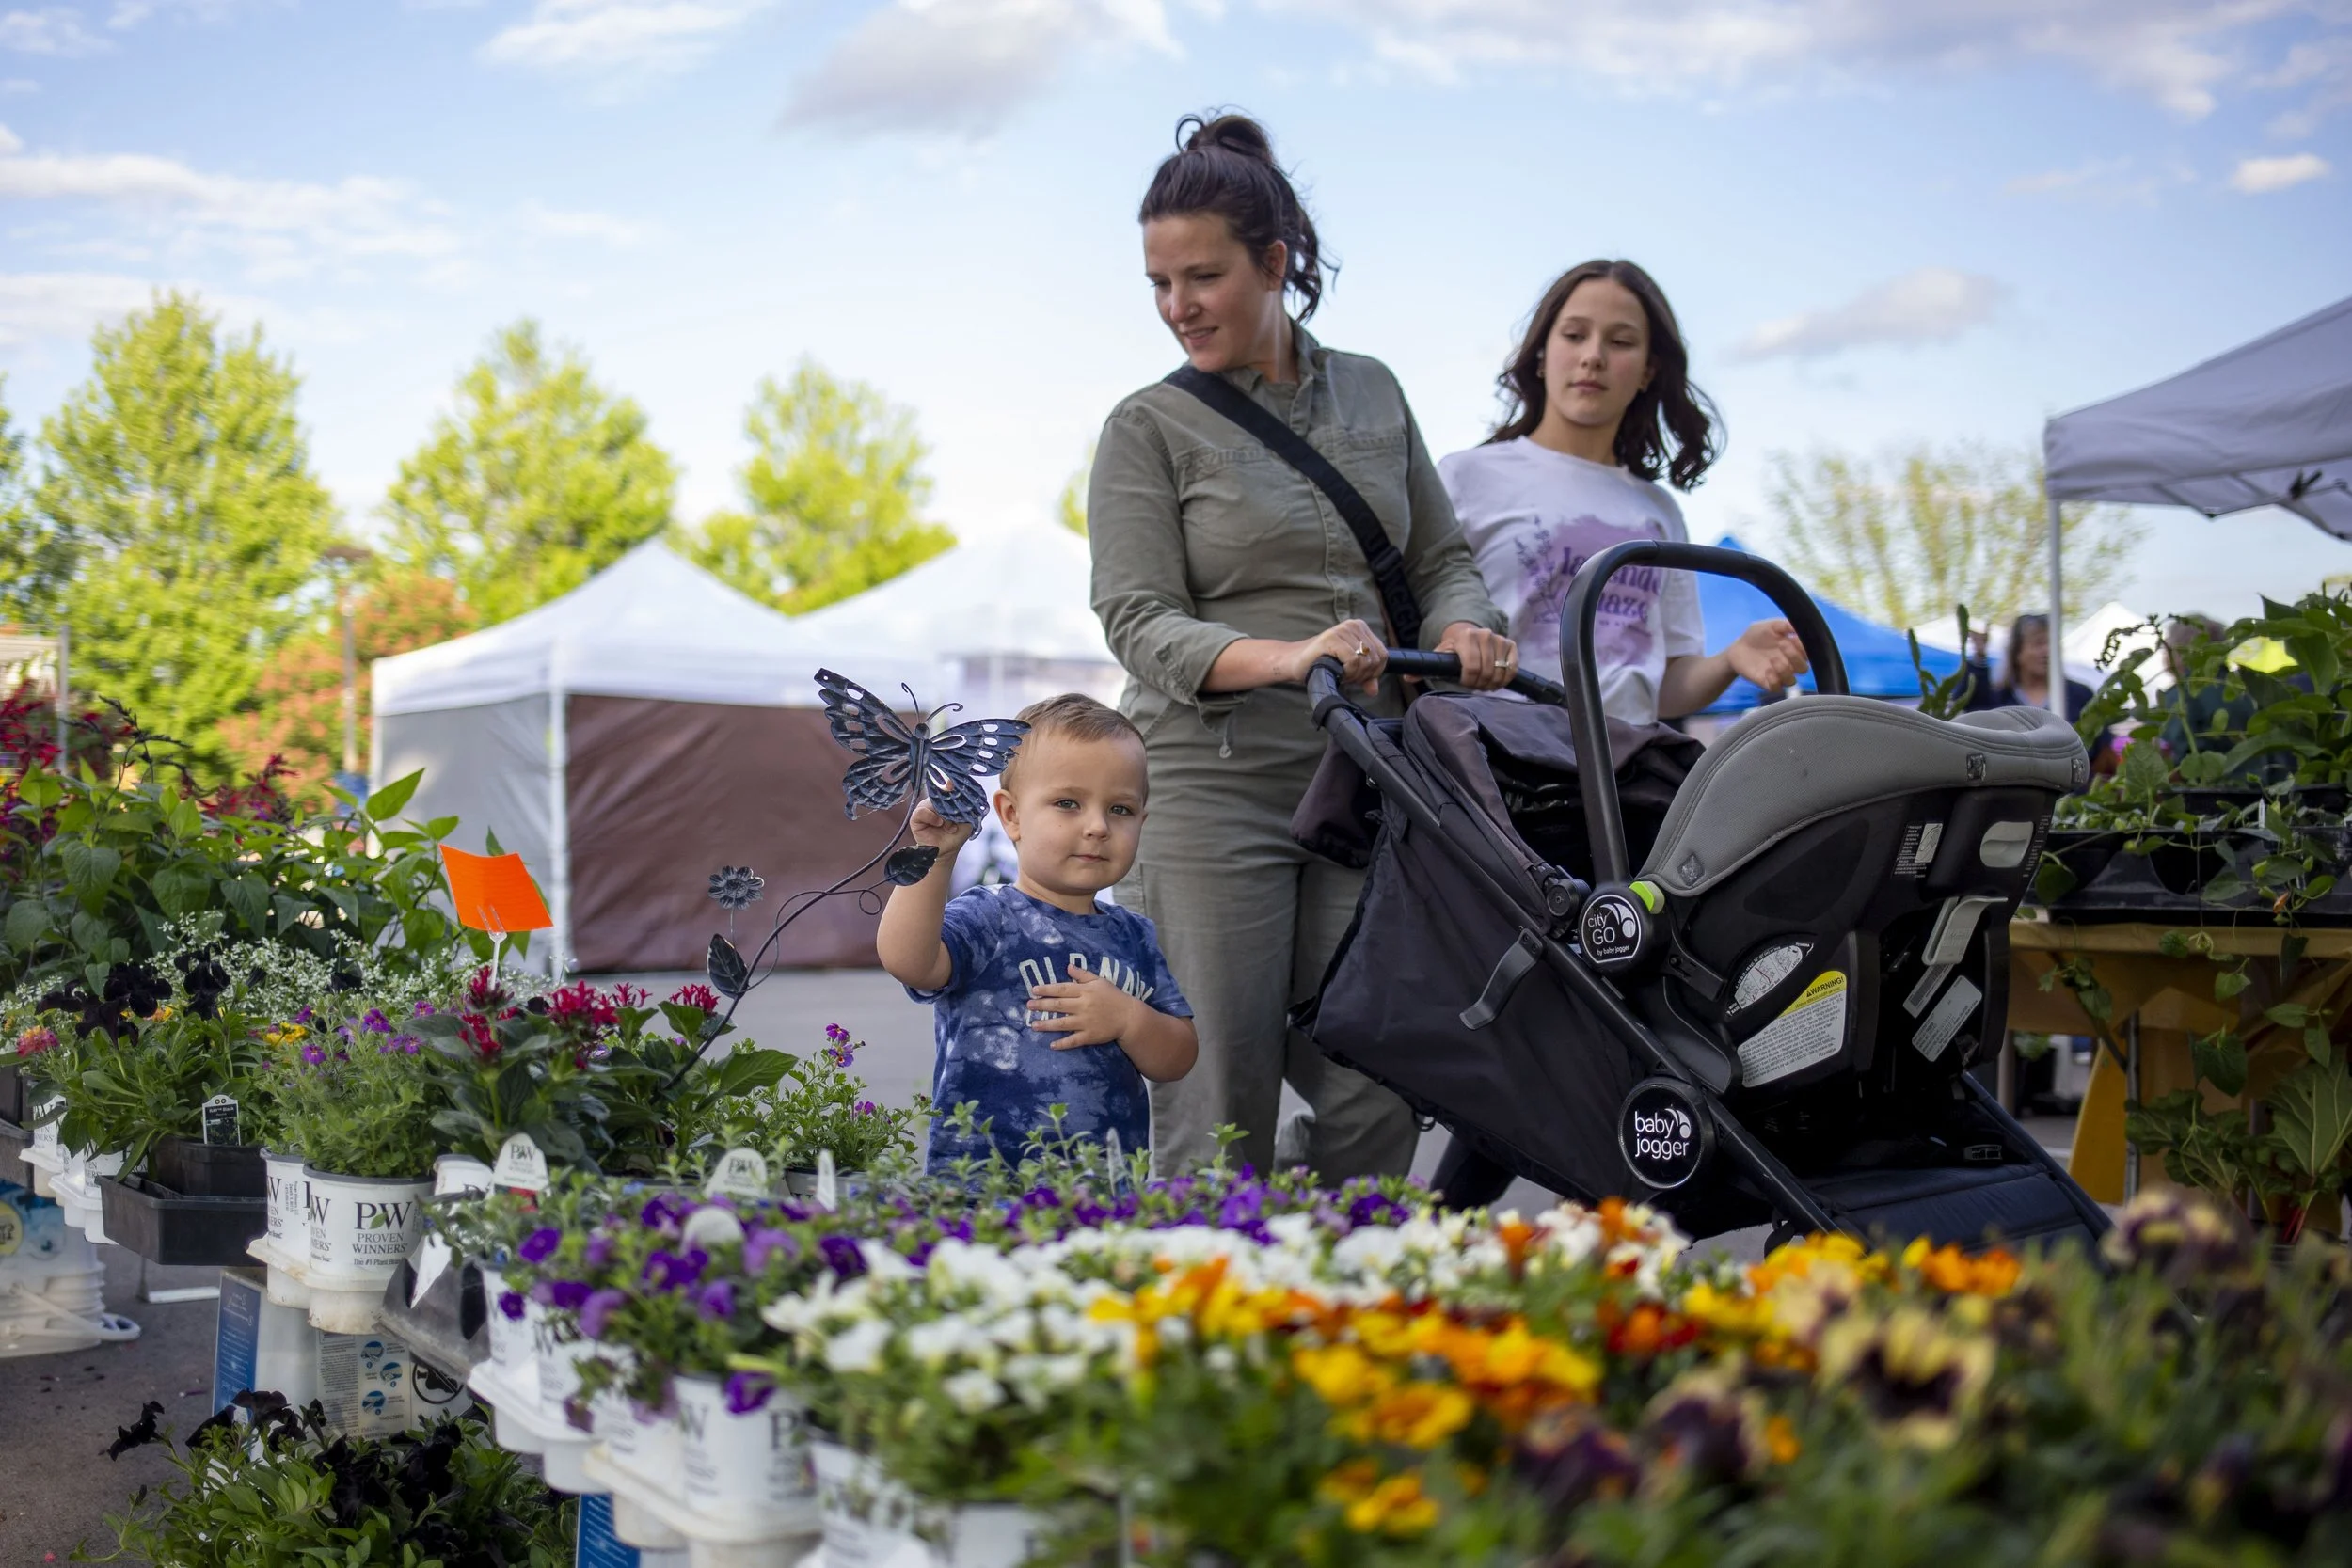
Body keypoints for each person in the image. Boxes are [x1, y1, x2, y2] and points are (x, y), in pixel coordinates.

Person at [1088, 112, 1517, 1181]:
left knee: (1379, 1074)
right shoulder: (1146, 426)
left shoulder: (1372, 388)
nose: (1177, 307)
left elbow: (1440, 557)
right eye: (1157, 283)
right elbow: (1137, 619)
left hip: (1366, 780)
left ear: (1274, 263)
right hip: (1212, 780)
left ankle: (1338, 1299)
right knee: (1215, 1085)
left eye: (1203, 276)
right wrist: (1287, 656)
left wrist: (1467, 623)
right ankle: (1205, 1312)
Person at [1439, 260, 1806, 723]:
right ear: (1539, 352)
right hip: (1495, 765)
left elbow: (1664, 687)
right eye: (1574, 335)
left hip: (1624, 774)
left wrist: (1731, 659)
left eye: (1620, 342)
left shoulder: (1659, 511)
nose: (1593, 356)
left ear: (1649, 370)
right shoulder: (1465, 477)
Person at [877, 694, 1198, 1172]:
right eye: (1068, 803)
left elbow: (1178, 1056)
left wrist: (1130, 1020)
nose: (1097, 826)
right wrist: (934, 858)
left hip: (1103, 1193)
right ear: (1011, 815)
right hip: (982, 1188)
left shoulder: (1135, 936)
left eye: (1121, 809)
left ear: (1142, 821)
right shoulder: (989, 916)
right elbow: (909, 961)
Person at [1965, 613, 2093, 722]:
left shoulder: (2079, 696)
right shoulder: (1998, 699)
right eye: (2039, 643)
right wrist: (1979, 656)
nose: (2047, 651)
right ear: (2017, 652)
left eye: (2052, 643)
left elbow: (2103, 747)